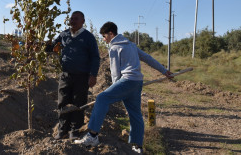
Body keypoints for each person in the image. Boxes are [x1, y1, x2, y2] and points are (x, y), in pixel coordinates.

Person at [74, 22, 172, 153]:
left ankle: (92, 135)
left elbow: (115, 73)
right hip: (137, 82)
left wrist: (115, 88)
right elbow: (147, 58)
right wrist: (164, 70)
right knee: (135, 113)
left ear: (111, 34)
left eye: (104, 36)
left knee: (102, 98)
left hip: (127, 81)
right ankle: (137, 146)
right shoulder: (131, 44)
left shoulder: (114, 47)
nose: (104, 39)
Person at [47, 11, 100, 140]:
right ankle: (62, 129)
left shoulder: (88, 37)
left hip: (82, 76)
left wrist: (93, 75)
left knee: (78, 103)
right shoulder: (64, 35)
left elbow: (95, 57)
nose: (72, 20)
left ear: (83, 21)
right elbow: (51, 47)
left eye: (76, 19)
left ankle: (74, 130)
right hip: (65, 75)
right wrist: (35, 45)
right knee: (63, 102)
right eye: (71, 18)